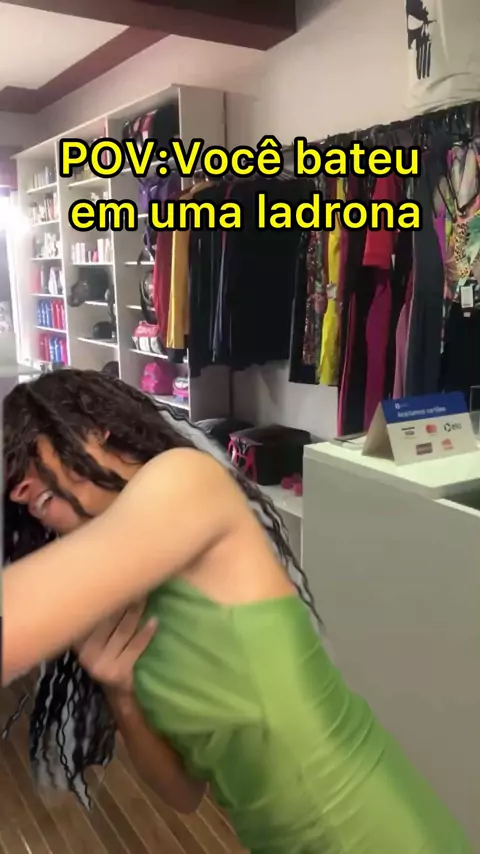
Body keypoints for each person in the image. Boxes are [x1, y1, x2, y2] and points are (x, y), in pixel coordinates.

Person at [2, 369, 473, 854]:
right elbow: (184, 793)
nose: (18, 491)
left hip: (371, 830)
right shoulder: (114, 605)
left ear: (94, 426)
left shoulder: (183, 480)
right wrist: (121, 694)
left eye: (32, 447)